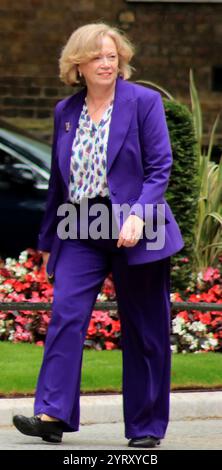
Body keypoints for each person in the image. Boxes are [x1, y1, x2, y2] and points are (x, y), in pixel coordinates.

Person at [13, 22, 184, 448]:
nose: (106, 63)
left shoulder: (144, 102)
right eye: (97, 57)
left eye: (112, 56)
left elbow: (159, 168)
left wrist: (138, 216)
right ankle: (52, 414)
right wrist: (49, 242)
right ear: (78, 64)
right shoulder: (65, 112)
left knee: (145, 329)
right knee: (66, 315)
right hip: (80, 226)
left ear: (121, 60)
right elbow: (58, 182)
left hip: (135, 227)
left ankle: (145, 427)